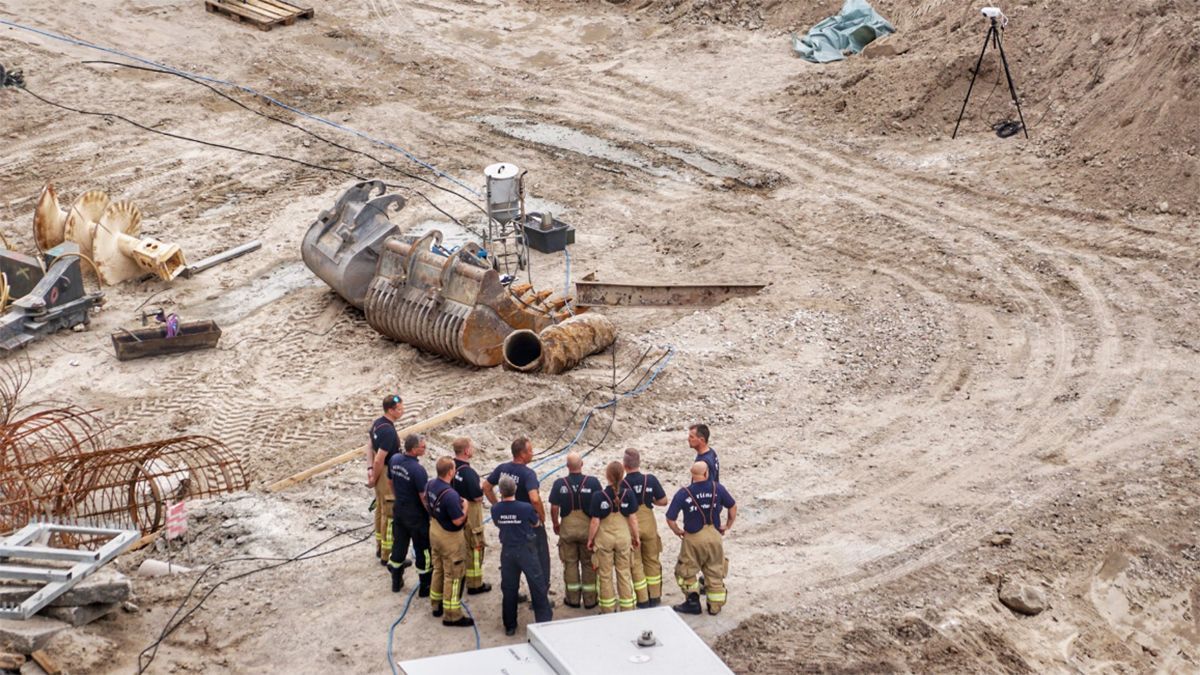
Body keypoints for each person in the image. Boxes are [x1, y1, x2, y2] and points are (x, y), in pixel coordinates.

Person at [665, 461, 737, 615]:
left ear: (693, 475)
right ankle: (714, 606)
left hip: (693, 538)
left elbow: (670, 518)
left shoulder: (684, 493)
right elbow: (732, 506)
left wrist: (677, 531)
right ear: (706, 474)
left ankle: (692, 602)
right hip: (714, 535)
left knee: (686, 571)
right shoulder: (717, 488)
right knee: (714, 570)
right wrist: (727, 525)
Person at [483, 437, 550, 593]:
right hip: (528, 523)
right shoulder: (528, 474)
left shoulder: (502, 469)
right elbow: (534, 498)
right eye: (531, 450)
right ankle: (541, 594)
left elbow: (486, 487)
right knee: (540, 559)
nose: (533, 453)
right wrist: (541, 516)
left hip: (509, 523)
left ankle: (515, 592)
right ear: (522, 453)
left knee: (510, 560)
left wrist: (497, 507)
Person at [491, 475, 553, 636]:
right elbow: (536, 523)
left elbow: (498, 523)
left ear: (500, 492)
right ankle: (544, 621)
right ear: (515, 489)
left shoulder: (495, 508)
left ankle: (510, 625)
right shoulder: (525, 508)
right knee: (537, 585)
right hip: (526, 550)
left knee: (509, 589)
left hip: (507, 552)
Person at [549, 452, 602, 608]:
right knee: (588, 564)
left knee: (570, 563)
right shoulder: (593, 482)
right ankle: (590, 600)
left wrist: (555, 523)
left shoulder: (559, 483)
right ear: (582, 464)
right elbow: (599, 506)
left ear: (567, 466)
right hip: (587, 530)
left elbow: (554, 507)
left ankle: (572, 600)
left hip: (568, 529)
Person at [426, 456, 474, 627]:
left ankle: (436, 604)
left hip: (435, 530)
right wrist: (465, 506)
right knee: (453, 576)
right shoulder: (451, 495)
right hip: (450, 538)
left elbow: (426, 501)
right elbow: (458, 521)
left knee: (438, 569)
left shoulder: (431, 484)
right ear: (450, 472)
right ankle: (452, 615)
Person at [587, 461, 640, 613]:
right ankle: (627, 607)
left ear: (607, 476)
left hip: (604, 540)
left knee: (605, 575)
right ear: (623, 475)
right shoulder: (628, 494)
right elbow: (633, 518)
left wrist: (590, 539)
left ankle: (608, 609)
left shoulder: (599, 496)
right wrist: (636, 537)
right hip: (623, 538)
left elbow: (595, 521)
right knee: (624, 573)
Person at [621, 448, 668, 608]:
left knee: (636, 563)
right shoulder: (651, 480)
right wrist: (652, 500)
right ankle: (655, 596)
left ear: (624, 465)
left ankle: (642, 599)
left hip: (631, 525)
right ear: (639, 463)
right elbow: (663, 501)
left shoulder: (622, 484)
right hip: (649, 524)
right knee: (652, 560)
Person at [388, 434, 431, 596]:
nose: (425, 449)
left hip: (399, 511)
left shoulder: (395, 460)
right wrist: (432, 514)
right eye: (423, 447)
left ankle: (396, 582)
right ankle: (425, 587)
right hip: (416, 517)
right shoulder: (418, 470)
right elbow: (423, 497)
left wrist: (399, 497)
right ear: (414, 450)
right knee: (423, 551)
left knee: (398, 547)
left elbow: (390, 482)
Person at [451, 438, 491, 595]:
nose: (473, 450)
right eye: (472, 448)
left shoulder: (452, 466)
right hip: (471, 513)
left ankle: (463, 576)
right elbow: (478, 497)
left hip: (457, 509)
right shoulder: (469, 472)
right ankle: (475, 584)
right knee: (475, 546)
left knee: (463, 545)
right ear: (466, 451)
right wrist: (480, 486)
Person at [368, 395, 404, 566]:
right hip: (384, 472)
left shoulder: (377, 424)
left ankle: (379, 545)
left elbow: (369, 447)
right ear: (390, 410)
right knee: (389, 513)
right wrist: (374, 478)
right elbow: (379, 459)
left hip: (378, 472)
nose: (402, 411)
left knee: (380, 509)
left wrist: (370, 472)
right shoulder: (388, 431)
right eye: (399, 409)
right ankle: (386, 554)